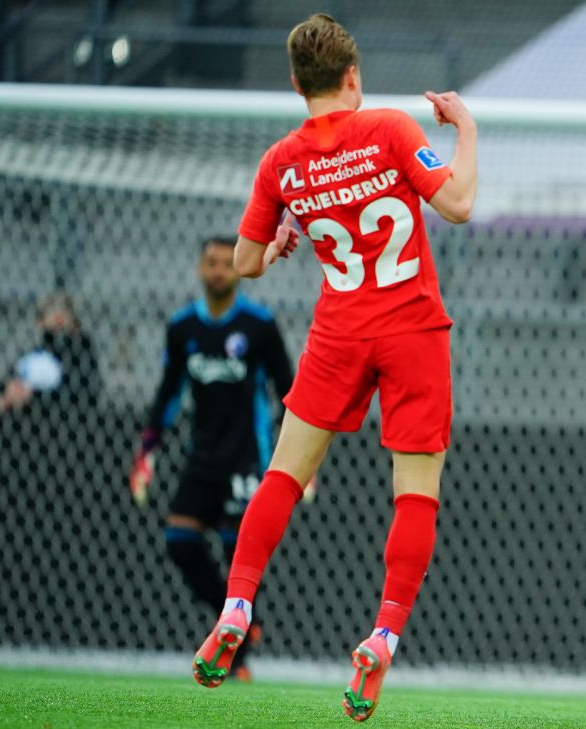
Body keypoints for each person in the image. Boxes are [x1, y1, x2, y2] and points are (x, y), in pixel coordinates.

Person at [190, 14, 477, 723]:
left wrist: (279, 241)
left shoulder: (281, 161)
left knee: (283, 476)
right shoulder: (390, 129)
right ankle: (383, 635)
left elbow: (245, 261)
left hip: (338, 333)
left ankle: (236, 604)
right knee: (416, 493)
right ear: (353, 75)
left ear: (296, 84)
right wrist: (466, 130)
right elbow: (459, 205)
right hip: (412, 330)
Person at [129, 235, 295, 681]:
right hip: (201, 457)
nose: (219, 270)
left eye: (226, 262)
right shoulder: (183, 327)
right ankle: (241, 623)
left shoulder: (259, 326)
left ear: (238, 270)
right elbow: (168, 394)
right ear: (200, 270)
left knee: (238, 550)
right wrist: (147, 452)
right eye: (211, 263)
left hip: (246, 458)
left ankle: (238, 654)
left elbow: (288, 390)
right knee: (179, 541)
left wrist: (297, 457)